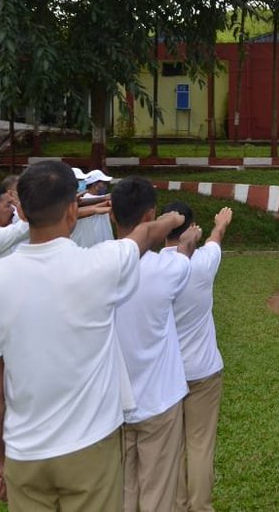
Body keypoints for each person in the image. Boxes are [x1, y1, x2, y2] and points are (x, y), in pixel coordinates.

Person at [0, 160, 183, 509]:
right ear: (73, 210)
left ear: (23, 212)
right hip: (90, 448)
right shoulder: (99, 265)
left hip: (24, 453)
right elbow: (142, 236)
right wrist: (170, 221)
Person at [113, 177, 197, 512]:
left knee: (122, 491)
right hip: (159, 399)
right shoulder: (169, 267)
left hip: (113, 401)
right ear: (151, 216)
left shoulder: (95, 263)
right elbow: (184, 254)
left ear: (111, 216)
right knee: (158, 494)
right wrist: (179, 227)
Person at [162, 202, 233, 512]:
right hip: (203, 370)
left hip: (165, 374)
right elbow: (215, 241)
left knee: (171, 448)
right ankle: (201, 507)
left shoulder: (151, 267)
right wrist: (220, 223)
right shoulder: (203, 263)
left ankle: (177, 506)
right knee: (201, 445)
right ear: (190, 227)